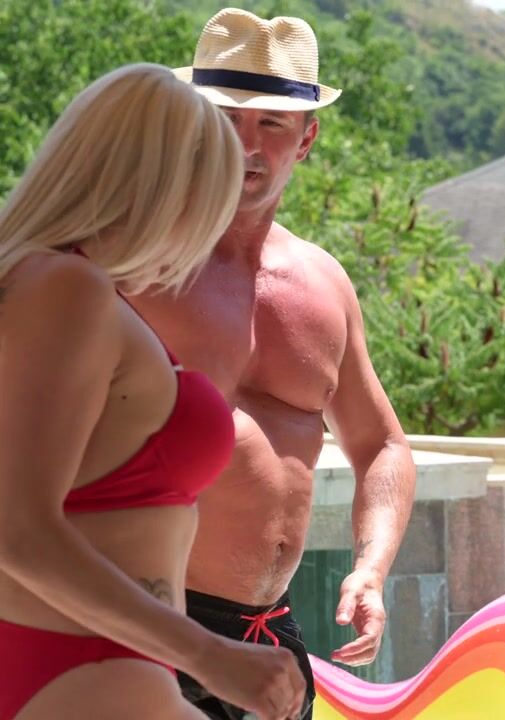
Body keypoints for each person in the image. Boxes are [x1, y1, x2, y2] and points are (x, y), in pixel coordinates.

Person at [130, 9, 417, 719]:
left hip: (271, 635)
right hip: (147, 626)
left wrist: (370, 570)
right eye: (226, 118)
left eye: (272, 124)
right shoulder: (130, 268)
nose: (246, 145)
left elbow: (381, 444)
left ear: (307, 138)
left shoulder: (323, 286)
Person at [0, 63, 305, 720]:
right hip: (88, 673)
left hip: (88, 672)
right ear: (165, 188)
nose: (207, 233)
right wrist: (209, 654)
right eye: (210, 200)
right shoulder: (65, 288)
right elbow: (16, 529)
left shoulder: (55, 284)